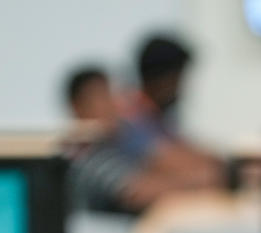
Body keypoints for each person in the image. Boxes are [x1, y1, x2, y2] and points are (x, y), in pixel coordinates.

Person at [63, 64, 211, 214]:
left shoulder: (119, 139)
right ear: (77, 107)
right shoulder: (85, 154)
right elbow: (139, 192)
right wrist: (198, 181)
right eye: (101, 97)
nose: (112, 105)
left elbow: (164, 156)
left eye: (112, 95)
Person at [121, 34, 226, 190]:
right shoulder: (131, 118)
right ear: (163, 81)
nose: (182, 89)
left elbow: (183, 147)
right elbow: (169, 161)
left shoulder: (157, 115)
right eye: (178, 79)